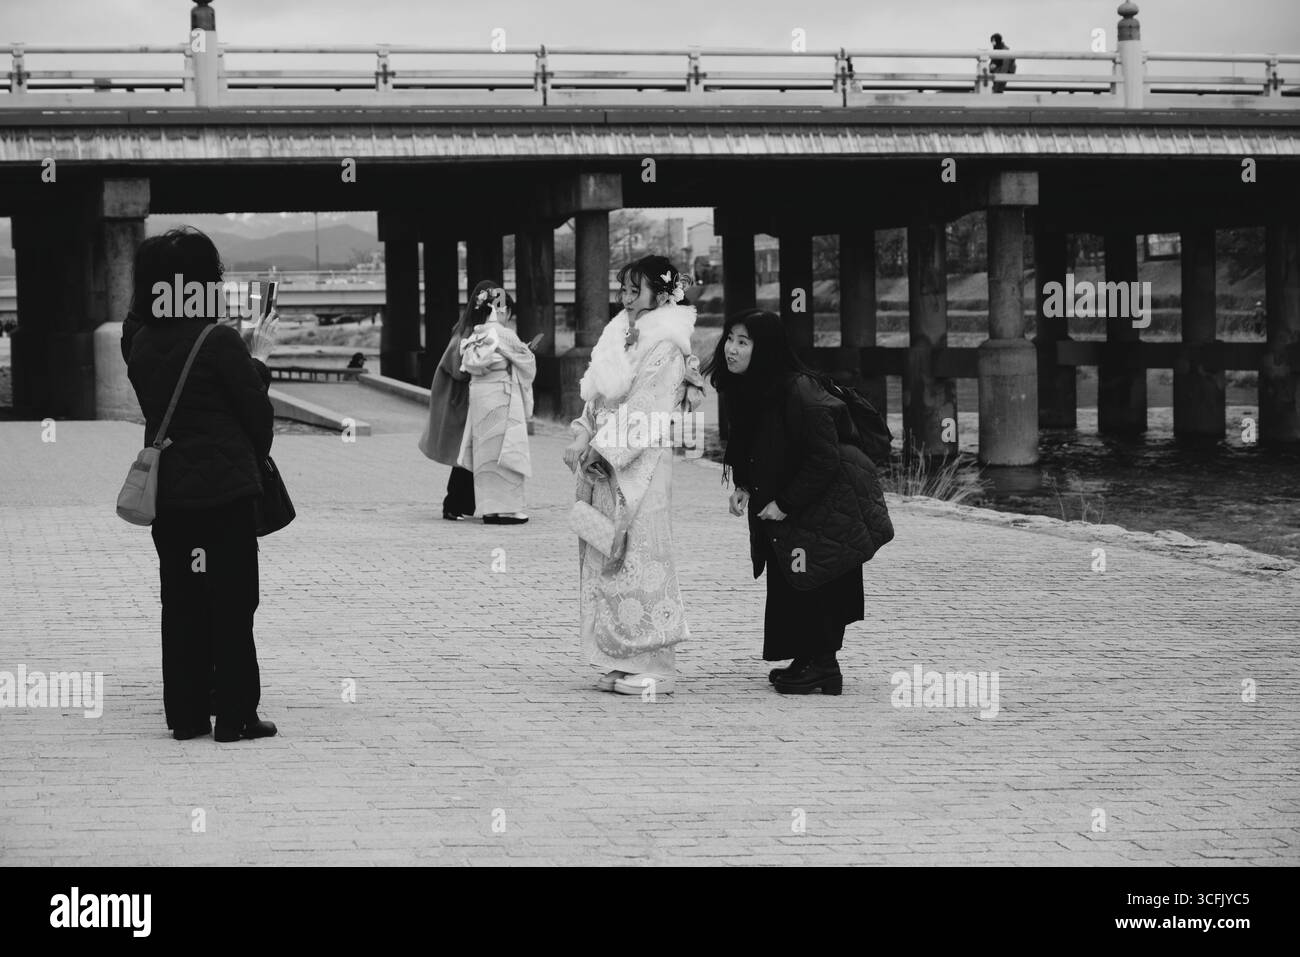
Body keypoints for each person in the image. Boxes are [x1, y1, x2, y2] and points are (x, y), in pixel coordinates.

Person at [123, 227, 279, 742]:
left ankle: (186, 717)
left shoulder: (140, 342)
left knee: (183, 602)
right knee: (233, 603)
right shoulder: (219, 340)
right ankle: (235, 716)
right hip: (225, 497)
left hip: (171, 497)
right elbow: (258, 420)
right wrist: (258, 360)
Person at [705, 309, 892, 695]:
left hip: (826, 501)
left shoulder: (799, 391)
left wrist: (785, 503)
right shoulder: (752, 389)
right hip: (798, 503)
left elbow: (824, 458)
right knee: (794, 579)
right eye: (730, 339)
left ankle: (824, 666)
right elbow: (752, 445)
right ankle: (807, 660)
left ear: (767, 348)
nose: (731, 350)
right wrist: (743, 484)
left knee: (818, 580)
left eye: (743, 342)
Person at [563, 255, 705, 696]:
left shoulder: (666, 343)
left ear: (661, 295)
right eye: (622, 289)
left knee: (640, 554)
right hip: (606, 459)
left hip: (639, 462)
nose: (624, 298)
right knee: (606, 551)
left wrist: (604, 451)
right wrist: (582, 433)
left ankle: (653, 661)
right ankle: (617, 656)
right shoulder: (620, 334)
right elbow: (598, 397)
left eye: (633, 290)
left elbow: (649, 406)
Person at [453, 280, 536, 524]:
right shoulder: (504, 334)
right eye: (508, 312)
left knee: (485, 453)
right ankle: (508, 509)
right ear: (502, 309)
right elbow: (527, 362)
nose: (508, 317)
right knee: (506, 451)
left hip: (480, 396)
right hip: (501, 396)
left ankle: (490, 509)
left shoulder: (476, 334)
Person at [417, 311, 477, 521]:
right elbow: (461, 370)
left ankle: (463, 504)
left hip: (462, 403)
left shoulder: (465, 333)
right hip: (458, 404)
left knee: (467, 454)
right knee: (463, 455)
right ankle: (453, 504)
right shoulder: (463, 338)